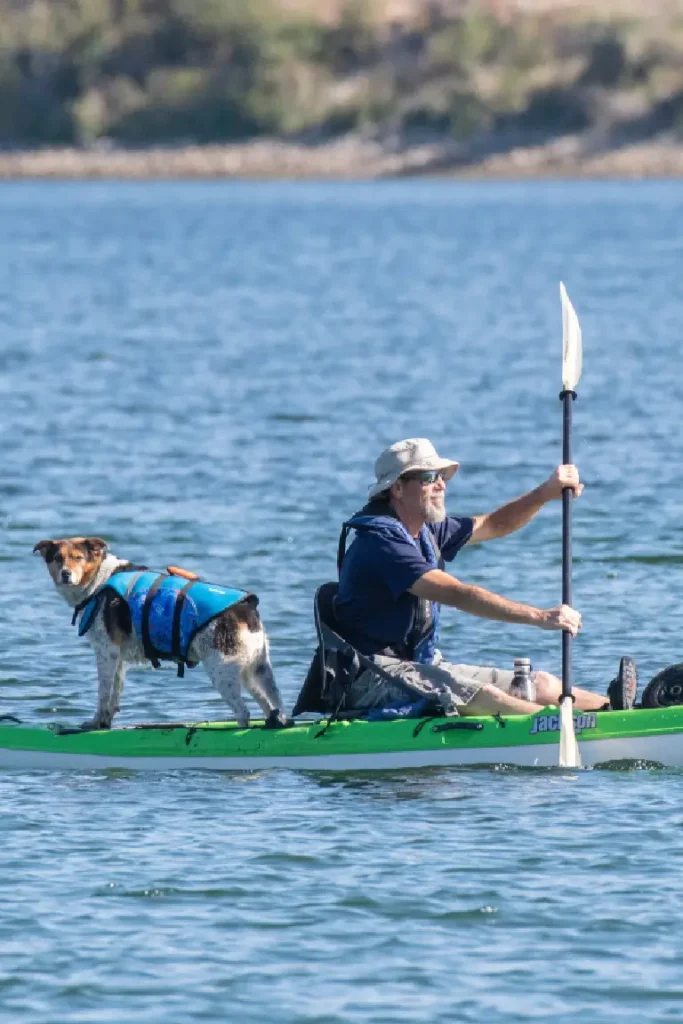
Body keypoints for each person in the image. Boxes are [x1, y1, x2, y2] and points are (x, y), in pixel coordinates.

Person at [334, 437, 636, 717]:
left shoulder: (425, 530)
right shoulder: (381, 543)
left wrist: (545, 493)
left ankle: (623, 712)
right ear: (397, 489)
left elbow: (494, 523)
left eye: (442, 476)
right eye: (429, 477)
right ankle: (566, 728)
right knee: (485, 695)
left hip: (420, 667)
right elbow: (458, 594)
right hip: (373, 679)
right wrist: (540, 616)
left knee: (540, 685)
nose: (441, 485)